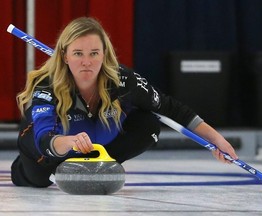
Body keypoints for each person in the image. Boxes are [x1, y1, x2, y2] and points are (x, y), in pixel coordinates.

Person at [11, 17, 238, 187]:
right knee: (37, 178)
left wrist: (217, 140)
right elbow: (43, 137)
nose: (87, 62)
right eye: (78, 53)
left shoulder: (123, 80)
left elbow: (171, 109)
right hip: (47, 152)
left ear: (104, 55)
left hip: (95, 146)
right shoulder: (46, 84)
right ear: (64, 56)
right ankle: (42, 170)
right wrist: (68, 143)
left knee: (148, 124)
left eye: (94, 53)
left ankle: (98, 166)